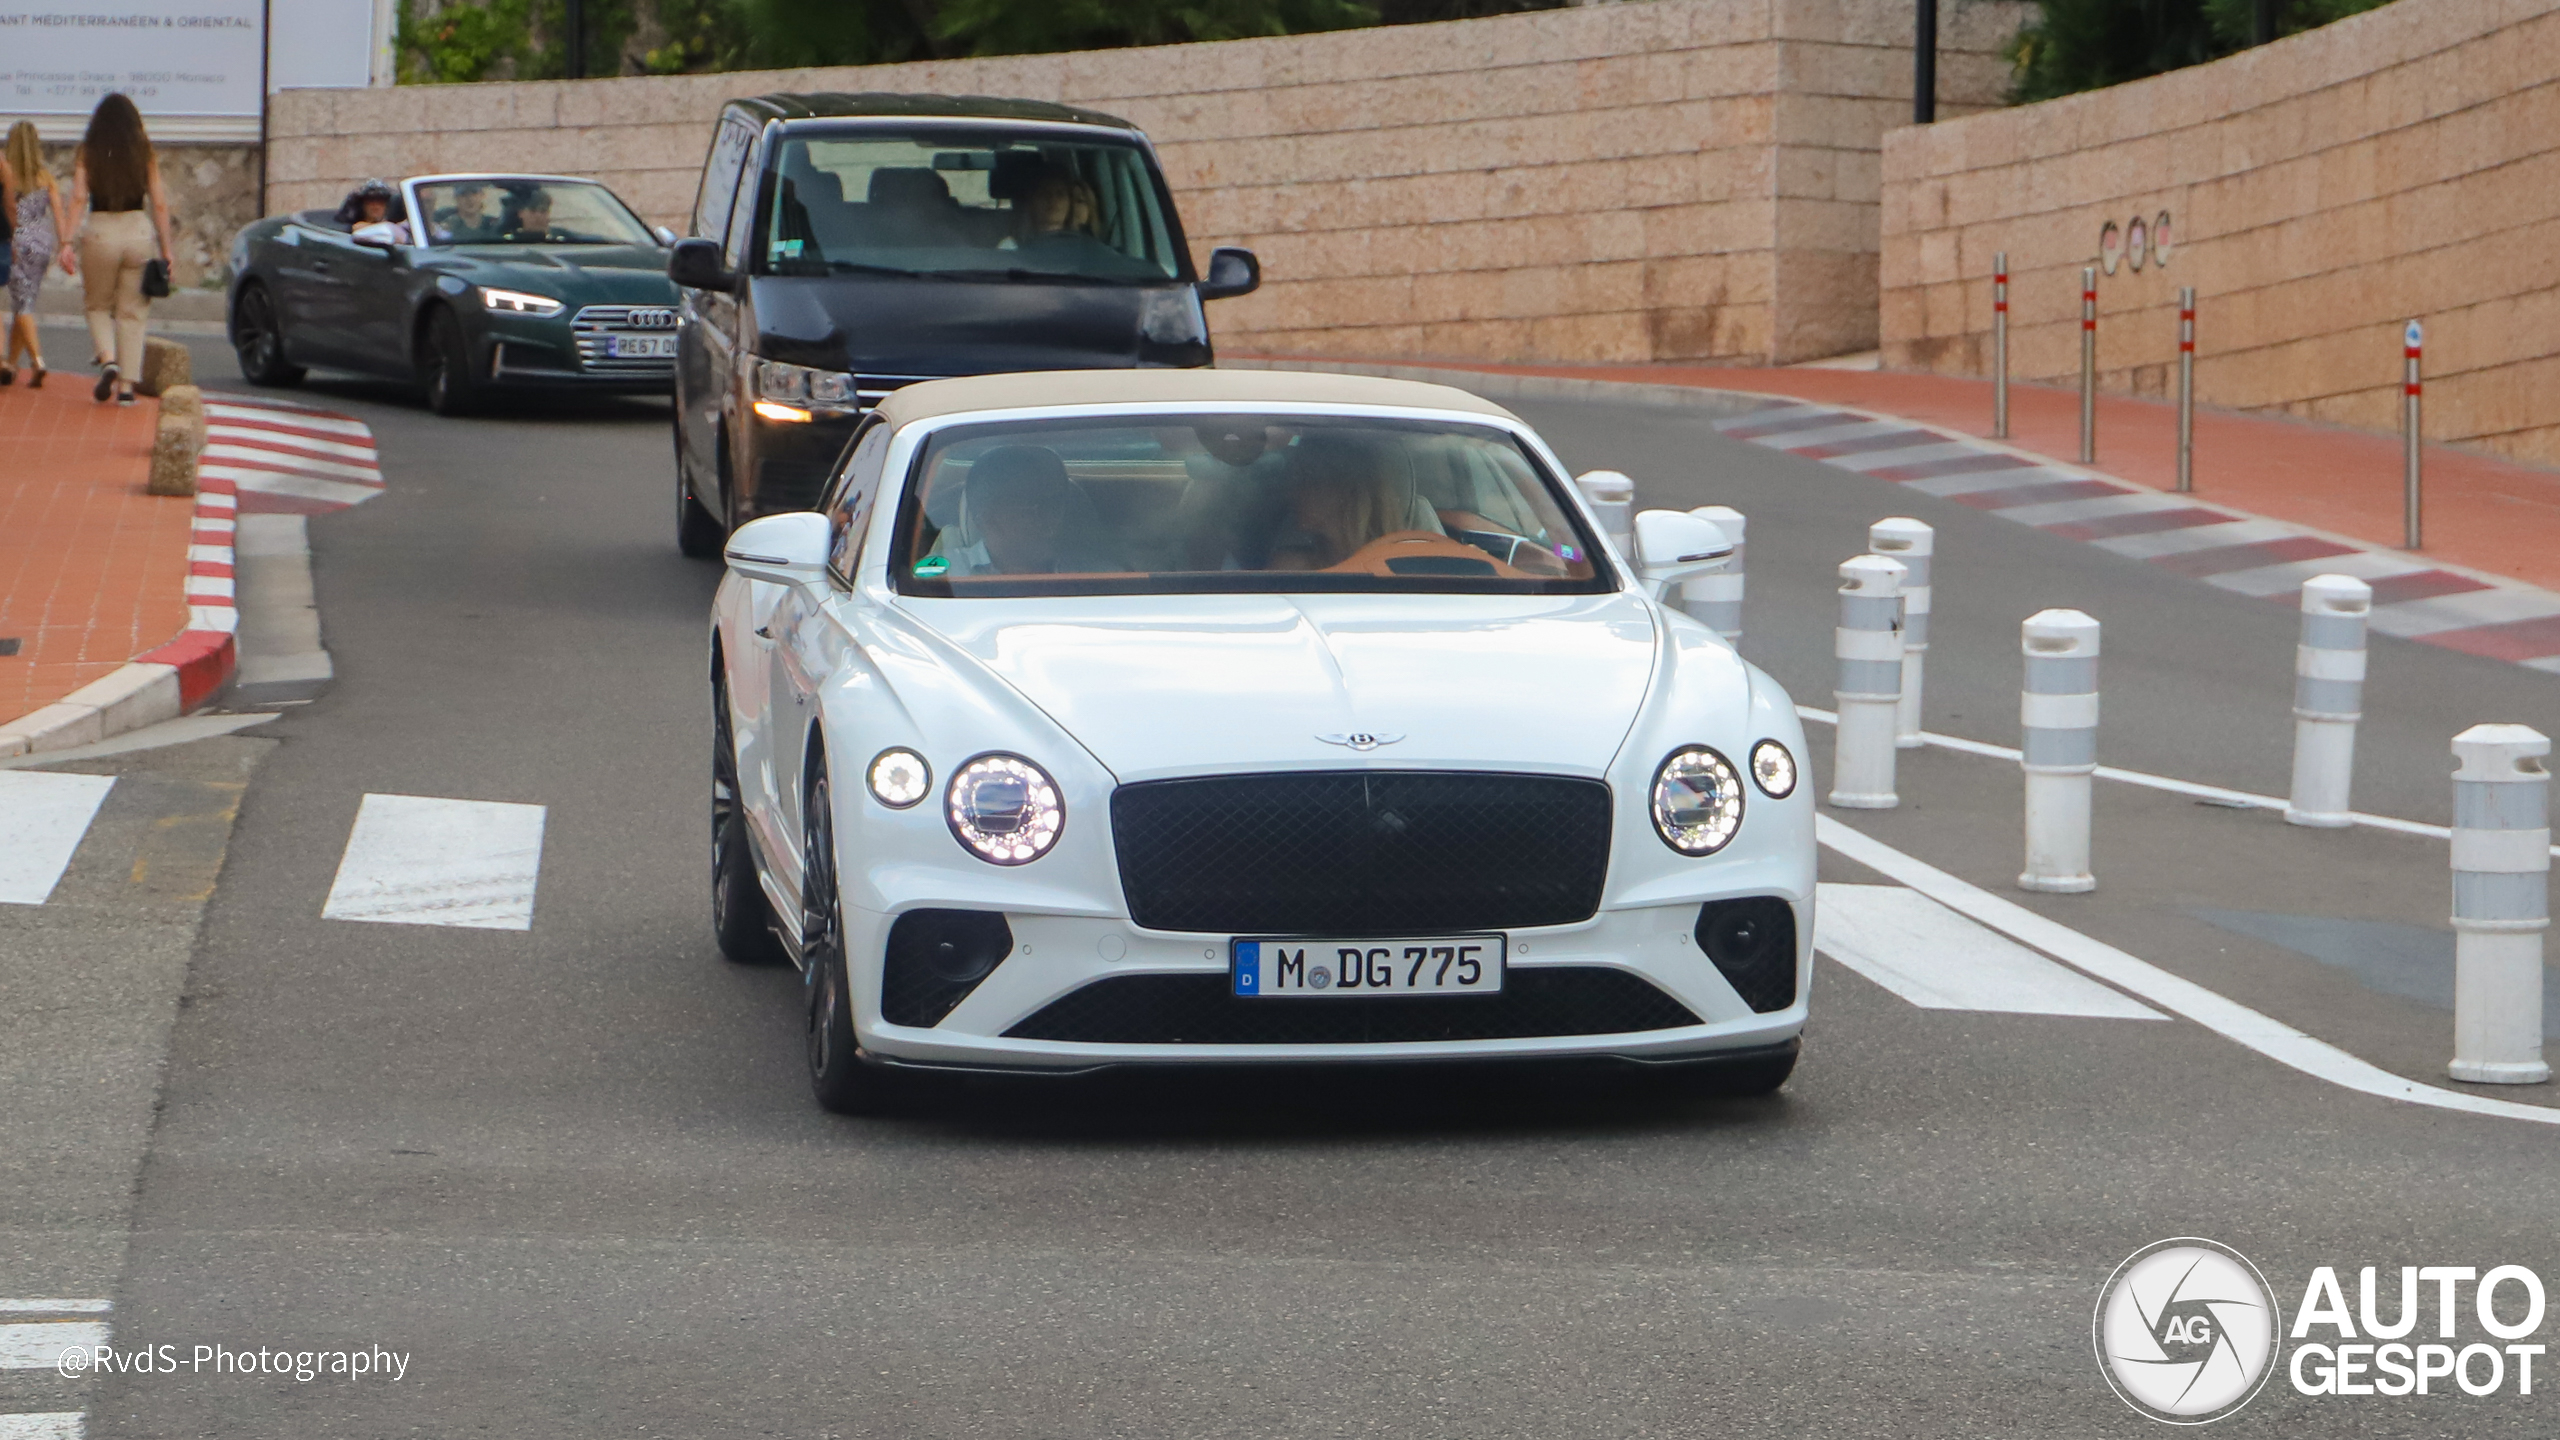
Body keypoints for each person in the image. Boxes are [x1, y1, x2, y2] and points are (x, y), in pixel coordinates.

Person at [61, 93, 176, 406]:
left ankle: (108, 359)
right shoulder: (144, 151)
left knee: (97, 305)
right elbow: (160, 202)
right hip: (138, 230)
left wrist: (67, 241)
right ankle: (126, 388)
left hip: (100, 230)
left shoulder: (89, 151)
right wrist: (167, 249)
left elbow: (78, 198)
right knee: (133, 311)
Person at [1265, 434, 1444, 571]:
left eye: (1305, 481)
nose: (1292, 493)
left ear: (1346, 489)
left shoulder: (1418, 569)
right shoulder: (1290, 569)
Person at [930, 447, 1117, 577]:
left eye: (1055, 505)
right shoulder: (946, 573)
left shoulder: (1099, 574)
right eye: (1033, 509)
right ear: (987, 517)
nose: (1052, 520)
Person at [2, 120, 72, 387]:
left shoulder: (6, 173)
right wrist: (64, 242)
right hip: (41, 242)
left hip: (17, 240)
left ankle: (37, 360)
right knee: (24, 301)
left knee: (22, 304)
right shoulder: (45, 177)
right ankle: (11, 363)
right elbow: (58, 211)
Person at [332, 178, 409, 243]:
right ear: (362, 205)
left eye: (381, 202)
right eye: (370, 202)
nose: (376, 206)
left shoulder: (398, 229)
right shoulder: (353, 230)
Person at [430, 181, 498, 243]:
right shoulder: (444, 221)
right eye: (463, 195)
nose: (470, 199)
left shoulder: (493, 224)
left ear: (482, 195)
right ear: (456, 198)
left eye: (474, 193)